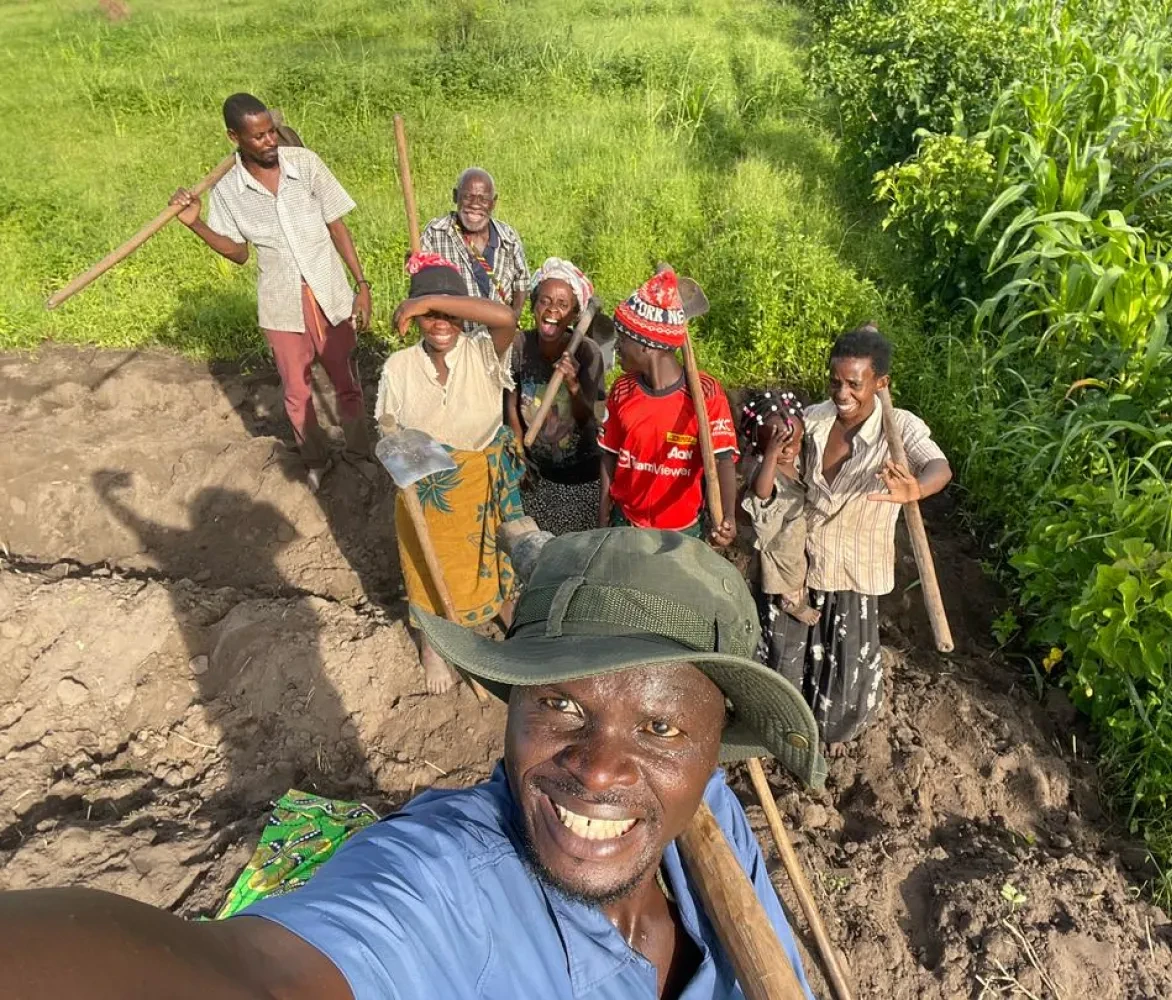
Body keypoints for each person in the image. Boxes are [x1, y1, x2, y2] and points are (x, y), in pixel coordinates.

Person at [2, 528, 824, 1000]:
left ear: (716, 748)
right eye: (561, 705)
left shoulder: (712, 821)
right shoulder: (446, 883)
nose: (601, 769)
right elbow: (261, 980)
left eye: (659, 726)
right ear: (512, 704)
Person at [756, 325, 952, 748]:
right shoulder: (815, 419)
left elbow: (939, 467)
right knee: (781, 676)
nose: (842, 394)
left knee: (842, 701)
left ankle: (828, 742)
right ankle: (781, 736)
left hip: (853, 573)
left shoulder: (899, 428)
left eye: (854, 385)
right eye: (835, 382)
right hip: (801, 566)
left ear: (881, 383)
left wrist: (915, 489)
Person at [169, 93, 372, 493]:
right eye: (258, 136)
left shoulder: (306, 164)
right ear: (235, 137)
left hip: (329, 291)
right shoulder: (229, 190)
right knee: (296, 391)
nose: (269, 142)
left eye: (271, 132)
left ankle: (360, 454)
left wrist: (361, 286)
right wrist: (196, 224)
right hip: (281, 303)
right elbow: (239, 253)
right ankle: (316, 459)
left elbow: (337, 227)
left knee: (345, 380)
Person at [375, 253, 523, 696]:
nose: (440, 323)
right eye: (429, 315)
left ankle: (500, 611)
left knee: (491, 559)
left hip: (482, 481)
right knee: (428, 566)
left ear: (462, 314)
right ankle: (433, 643)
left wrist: (428, 302)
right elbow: (387, 431)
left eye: (449, 313)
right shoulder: (399, 367)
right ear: (415, 319)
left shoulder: (482, 351)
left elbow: (506, 317)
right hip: (428, 490)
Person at [597, 268, 738, 546]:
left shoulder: (705, 393)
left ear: (647, 346)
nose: (617, 348)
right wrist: (603, 514)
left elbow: (722, 459)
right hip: (626, 522)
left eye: (623, 339)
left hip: (681, 533)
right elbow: (609, 454)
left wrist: (728, 517)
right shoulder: (623, 389)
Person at [505, 257, 605, 534]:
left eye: (563, 305)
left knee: (573, 553)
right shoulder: (520, 346)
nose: (552, 310)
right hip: (535, 476)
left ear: (574, 315)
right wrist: (519, 454)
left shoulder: (588, 353)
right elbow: (511, 404)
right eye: (545, 301)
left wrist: (573, 384)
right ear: (534, 306)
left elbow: (589, 420)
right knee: (538, 549)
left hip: (581, 480)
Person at [740, 390, 821, 627]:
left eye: (796, 444)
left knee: (799, 566)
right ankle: (792, 602)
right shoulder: (763, 468)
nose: (790, 452)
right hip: (779, 537)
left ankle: (796, 594)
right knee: (791, 571)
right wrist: (771, 457)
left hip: (793, 526)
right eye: (781, 448)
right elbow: (762, 492)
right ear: (761, 446)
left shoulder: (793, 458)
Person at [420, 167, 529, 319]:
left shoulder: (507, 237)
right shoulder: (435, 232)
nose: (475, 205)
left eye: (483, 199)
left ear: (493, 203)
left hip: (497, 331)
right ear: (455, 196)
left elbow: (521, 281)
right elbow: (423, 287)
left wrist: (512, 318)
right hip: (453, 329)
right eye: (467, 197)